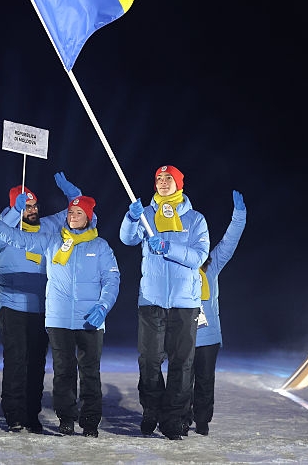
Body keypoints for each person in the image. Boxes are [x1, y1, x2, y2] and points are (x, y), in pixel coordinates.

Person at [0, 192, 120, 438]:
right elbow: (17, 238)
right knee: (63, 372)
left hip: (89, 319)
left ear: (89, 217)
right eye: (70, 212)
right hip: (58, 319)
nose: (73, 216)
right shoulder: (53, 240)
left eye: (79, 213)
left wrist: (103, 306)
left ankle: (89, 422)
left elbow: (112, 279)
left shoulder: (100, 246)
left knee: (89, 372)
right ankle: (65, 418)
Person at [0, 172, 83, 433]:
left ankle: (31, 413)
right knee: (16, 360)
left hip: (41, 307)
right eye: (26, 206)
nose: (32, 210)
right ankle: (14, 414)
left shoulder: (50, 227)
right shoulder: (5, 229)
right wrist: (10, 214)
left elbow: (80, 212)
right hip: (11, 304)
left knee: (37, 362)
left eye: (34, 206)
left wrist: (72, 193)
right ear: (15, 206)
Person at [120, 165, 209, 440]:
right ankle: (152, 410)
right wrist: (131, 218)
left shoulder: (195, 219)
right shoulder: (147, 215)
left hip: (185, 302)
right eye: (158, 178)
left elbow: (199, 256)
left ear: (179, 184)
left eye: (168, 178)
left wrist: (169, 247)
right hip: (151, 299)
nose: (162, 183)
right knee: (149, 360)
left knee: (182, 363)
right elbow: (126, 238)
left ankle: (174, 418)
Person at [185, 189, 247, 436]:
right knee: (180, 382)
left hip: (208, 337)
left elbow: (229, 242)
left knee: (204, 382)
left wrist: (239, 216)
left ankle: (201, 421)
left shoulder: (211, 264)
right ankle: (181, 417)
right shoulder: (176, 266)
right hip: (182, 334)